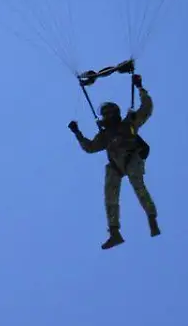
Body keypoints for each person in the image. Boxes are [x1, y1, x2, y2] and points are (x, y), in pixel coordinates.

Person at [68, 73, 159, 249]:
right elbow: (90, 147)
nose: (106, 116)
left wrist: (140, 88)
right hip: (116, 166)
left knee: (138, 184)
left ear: (115, 114)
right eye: (104, 114)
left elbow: (147, 108)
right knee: (110, 194)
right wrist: (77, 133)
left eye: (109, 113)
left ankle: (151, 218)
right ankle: (114, 232)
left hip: (132, 158)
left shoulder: (128, 124)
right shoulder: (105, 135)